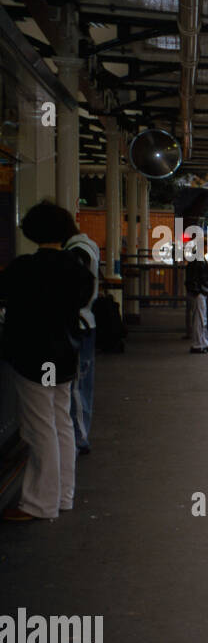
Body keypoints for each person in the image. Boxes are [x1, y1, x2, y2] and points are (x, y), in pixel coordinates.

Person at [0, 201, 95, 521]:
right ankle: (63, 495)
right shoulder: (76, 269)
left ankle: (40, 503)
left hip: (34, 357)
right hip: (63, 357)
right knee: (61, 423)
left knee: (40, 429)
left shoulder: (23, 268)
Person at [64, 228, 99, 454]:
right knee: (83, 383)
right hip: (88, 323)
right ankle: (81, 432)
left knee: (75, 385)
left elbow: (74, 292)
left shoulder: (76, 252)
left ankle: (78, 436)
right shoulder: (91, 248)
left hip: (76, 325)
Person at [184, 250, 208, 353]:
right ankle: (197, 345)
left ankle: (204, 342)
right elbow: (193, 278)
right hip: (198, 293)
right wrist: (197, 292)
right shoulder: (197, 260)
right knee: (199, 319)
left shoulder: (200, 259)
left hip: (200, 292)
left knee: (202, 319)